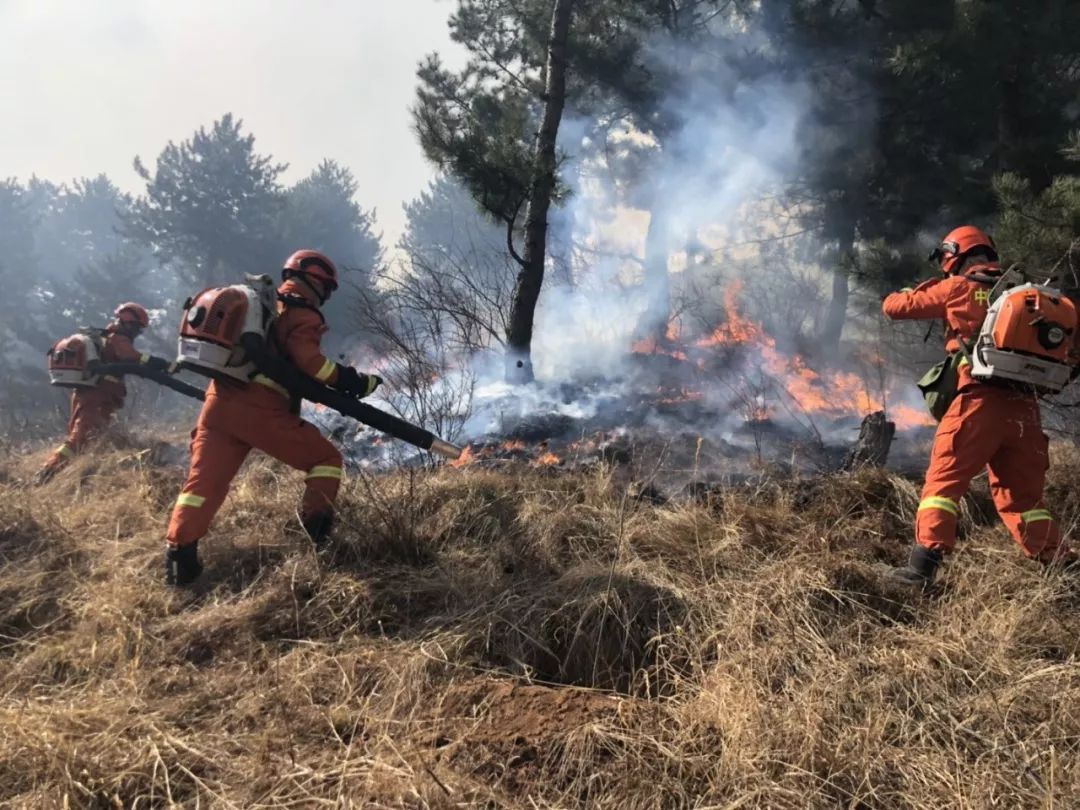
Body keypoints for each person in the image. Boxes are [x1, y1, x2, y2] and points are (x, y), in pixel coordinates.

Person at [164, 250, 382, 586]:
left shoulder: (263, 306)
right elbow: (313, 365)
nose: (326, 295)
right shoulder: (300, 312)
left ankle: (180, 559)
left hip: (217, 406)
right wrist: (353, 381)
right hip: (260, 408)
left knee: (202, 485)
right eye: (328, 288)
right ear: (317, 281)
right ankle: (318, 541)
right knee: (325, 460)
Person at [882, 226, 1073, 586]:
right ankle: (1064, 570)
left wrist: (913, 289)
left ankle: (920, 569)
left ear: (954, 255)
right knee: (1024, 500)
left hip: (978, 402)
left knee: (943, 484)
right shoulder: (1032, 298)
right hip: (1025, 409)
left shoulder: (960, 287)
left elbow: (894, 307)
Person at [38, 303, 155, 483]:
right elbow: (133, 357)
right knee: (81, 437)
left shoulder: (108, 338)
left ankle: (85, 477)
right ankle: (48, 471)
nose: (138, 333)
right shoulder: (118, 339)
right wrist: (161, 364)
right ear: (128, 323)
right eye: (138, 328)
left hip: (92, 395)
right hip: (97, 396)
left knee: (98, 437)